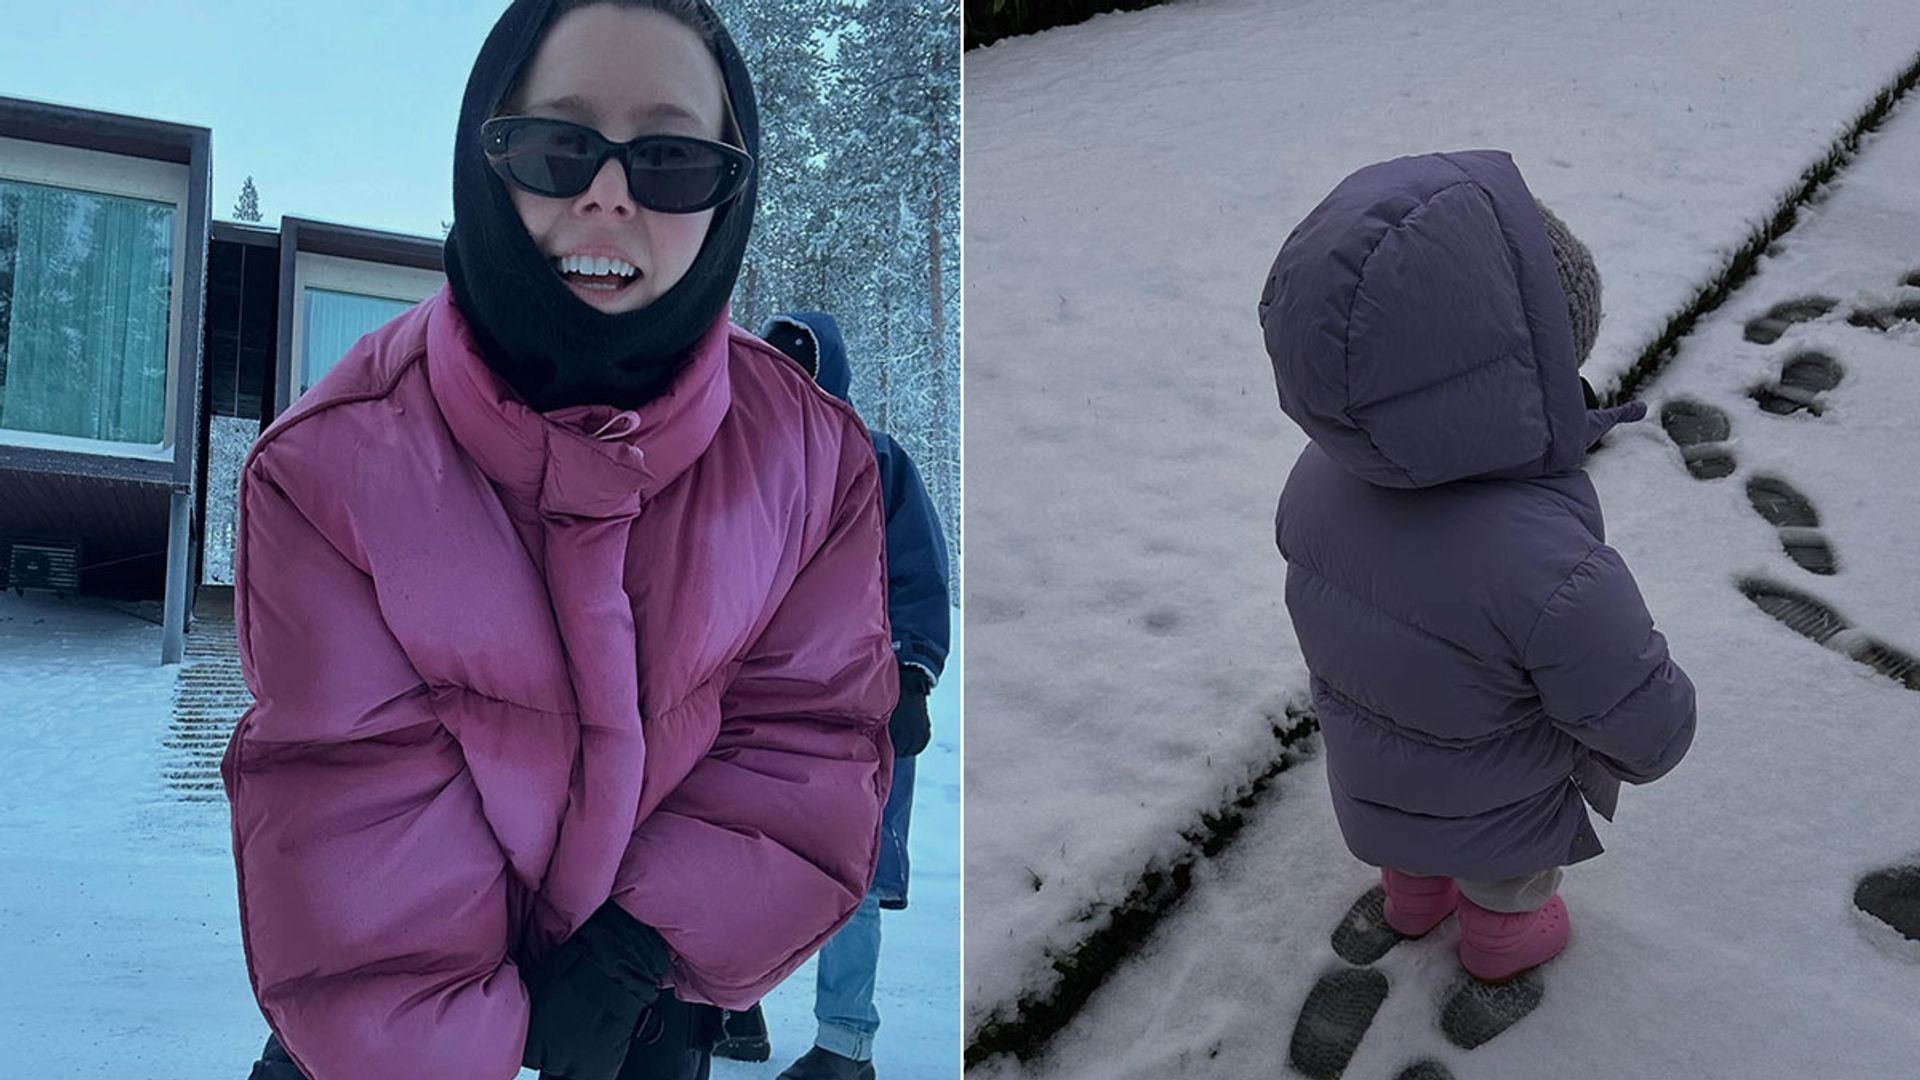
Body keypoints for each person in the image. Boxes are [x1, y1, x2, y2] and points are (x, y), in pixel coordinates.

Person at [224, 4, 896, 1079]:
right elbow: (351, 794)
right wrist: (486, 1035)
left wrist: (648, 941)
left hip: (647, 1009)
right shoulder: (333, 469)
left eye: (670, 159)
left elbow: (807, 739)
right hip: (388, 1034)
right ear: (486, 157)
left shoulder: (812, 461)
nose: (609, 195)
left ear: (731, 190)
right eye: (558, 147)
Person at [1259, 150, 1697, 983]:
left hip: (1374, 776)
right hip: (1501, 800)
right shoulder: (1544, 559)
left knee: (1411, 845)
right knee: (1505, 883)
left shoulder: (1320, 476)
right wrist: (1662, 730)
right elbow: (1632, 702)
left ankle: (1411, 901)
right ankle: (1500, 943)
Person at [708, 312, 951, 1080]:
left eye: (799, 363)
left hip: (858, 708)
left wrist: (913, 676)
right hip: (755, 707)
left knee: (854, 873)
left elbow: (916, 573)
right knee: (733, 853)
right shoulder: (742, 462)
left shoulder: (877, 462)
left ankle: (846, 1048)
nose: (785, 379)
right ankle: (731, 1009)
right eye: (771, 364)